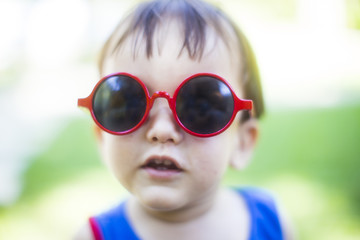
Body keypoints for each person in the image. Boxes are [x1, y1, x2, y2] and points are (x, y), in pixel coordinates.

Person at [75, 0, 293, 239]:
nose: (161, 131)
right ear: (101, 137)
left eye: (200, 106)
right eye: (127, 100)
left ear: (242, 142)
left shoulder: (273, 222)